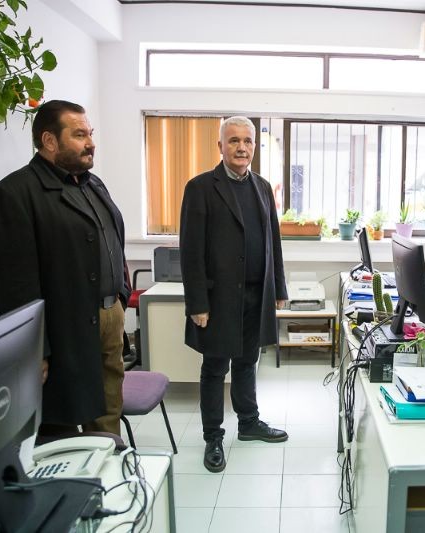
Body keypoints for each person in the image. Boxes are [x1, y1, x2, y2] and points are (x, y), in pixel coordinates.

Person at [0, 100, 129, 438]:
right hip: (62, 330)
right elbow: (13, 287)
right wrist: (36, 350)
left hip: (108, 315)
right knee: (61, 421)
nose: (91, 143)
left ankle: (109, 462)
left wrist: (120, 294)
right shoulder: (14, 194)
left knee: (108, 410)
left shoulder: (92, 184)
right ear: (49, 141)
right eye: (79, 135)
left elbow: (111, 242)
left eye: (90, 133)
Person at [180, 116, 289, 473]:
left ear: (254, 146)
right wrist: (197, 303)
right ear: (221, 146)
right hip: (218, 299)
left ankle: (248, 422)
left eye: (247, 141)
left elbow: (273, 243)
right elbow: (190, 251)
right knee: (215, 367)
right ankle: (213, 436)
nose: (242, 147)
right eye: (234, 141)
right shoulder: (200, 188)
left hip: (256, 295)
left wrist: (279, 288)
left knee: (247, 361)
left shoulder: (262, 187)